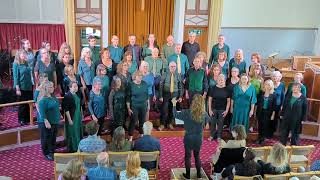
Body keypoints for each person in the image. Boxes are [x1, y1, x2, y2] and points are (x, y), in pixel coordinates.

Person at [172, 95, 210, 179]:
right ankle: (199, 175)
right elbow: (208, 121)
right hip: (198, 138)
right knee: (197, 156)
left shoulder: (187, 112)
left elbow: (175, 115)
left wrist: (174, 104)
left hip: (188, 137)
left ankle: (188, 175)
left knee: (188, 157)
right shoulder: (204, 114)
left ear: (192, 102)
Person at [38, 81, 60, 161]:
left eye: (53, 86)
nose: (53, 88)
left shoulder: (52, 96)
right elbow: (42, 112)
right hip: (46, 122)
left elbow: (56, 107)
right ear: (46, 89)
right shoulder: (43, 100)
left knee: (53, 137)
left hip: (54, 121)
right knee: (46, 138)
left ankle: (52, 151)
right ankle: (47, 153)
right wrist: (46, 121)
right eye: (51, 87)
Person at [159, 61, 183, 131]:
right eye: (171, 66)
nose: (173, 68)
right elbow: (161, 85)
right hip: (166, 94)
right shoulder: (164, 74)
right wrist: (160, 96)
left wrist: (180, 96)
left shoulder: (178, 75)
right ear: (169, 67)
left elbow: (180, 86)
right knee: (164, 110)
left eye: (174, 66)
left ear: (176, 67)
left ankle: (169, 123)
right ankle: (162, 124)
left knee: (172, 110)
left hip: (175, 94)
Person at [126, 71, 149, 141]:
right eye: (138, 76)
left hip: (143, 105)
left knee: (142, 121)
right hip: (134, 106)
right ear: (134, 77)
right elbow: (128, 97)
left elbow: (147, 95)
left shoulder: (144, 84)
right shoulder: (130, 84)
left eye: (141, 76)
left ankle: (142, 134)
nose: (140, 77)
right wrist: (128, 108)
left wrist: (148, 105)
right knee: (133, 121)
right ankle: (130, 136)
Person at [13, 49, 33, 125]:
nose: (24, 55)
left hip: (29, 86)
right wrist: (17, 88)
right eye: (22, 54)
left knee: (29, 103)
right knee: (22, 104)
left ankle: (28, 118)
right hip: (21, 87)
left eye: (25, 54)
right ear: (19, 55)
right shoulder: (16, 64)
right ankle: (21, 119)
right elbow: (15, 76)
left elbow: (30, 73)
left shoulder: (27, 63)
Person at [208, 74, 230, 141]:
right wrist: (209, 109)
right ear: (217, 80)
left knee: (220, 123)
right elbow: (210, 99)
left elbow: (228, 101)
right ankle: (212, 135)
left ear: (224, 80)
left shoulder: (227, 89)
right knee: (213, 123)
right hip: (214, 109)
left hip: (222, 109)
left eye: (222, 80)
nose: (221, 81)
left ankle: (219, 136)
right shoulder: (213, 88)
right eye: (219, 80)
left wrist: (226, 110)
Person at [62, 81, 83, 152]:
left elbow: (80, 105)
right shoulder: (67, 96)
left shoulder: (77, 94)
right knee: (73, 132)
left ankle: (79, 146)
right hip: (72, 116)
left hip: (78, 115)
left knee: (78, 131)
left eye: (76, 86)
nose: (76, 88)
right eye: (74, 87)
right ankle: (73, 148)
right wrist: (70, 120)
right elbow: (66, 109)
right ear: (70, 87)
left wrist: (81, 113)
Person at [256, 80, 277, 145]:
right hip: (260, 111)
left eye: (269, 85)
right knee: (260, 125)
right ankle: (259, 138)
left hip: (268, 113)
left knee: (265, 126)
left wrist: (273, 115)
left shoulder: (274, 94)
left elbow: (274, 106)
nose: (267, 86)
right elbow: (258, 103)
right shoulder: (261, 93)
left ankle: (262, 139)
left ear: (271, 86)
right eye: (266, 84)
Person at [271, 71, 285, 137]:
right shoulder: (270, 83)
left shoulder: (282, 85)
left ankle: (273, 131)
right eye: (273, 76)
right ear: (271, 77)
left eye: (276, 76)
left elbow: (283, 96)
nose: (275, 78)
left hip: (277, 105)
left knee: (275, 119)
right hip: (269, 104)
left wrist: (282, 105)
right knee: (268, 118)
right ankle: (268, 132)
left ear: (279, 77)